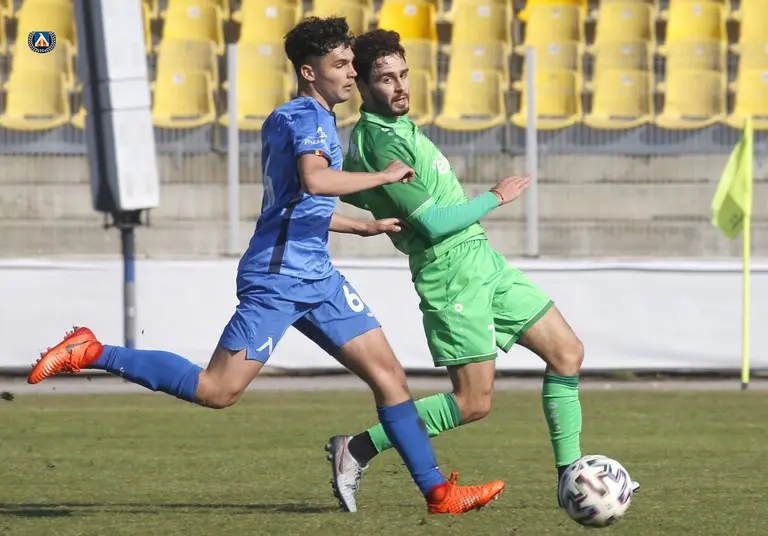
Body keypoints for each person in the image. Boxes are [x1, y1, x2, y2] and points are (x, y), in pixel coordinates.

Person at [27, 17, 504, 515]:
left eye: (350, 64)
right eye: (340, 64)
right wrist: (382, 176)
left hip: (317, 275)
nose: (350, 72)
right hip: (280, 277)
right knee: (217, 389)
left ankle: (438, 493)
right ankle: (93, 350)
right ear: (309, 71)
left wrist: (360, 226)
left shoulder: (298, 117)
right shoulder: (308, 119)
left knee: (389, 378)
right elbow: (316, 181)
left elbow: (297, 203)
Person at [326, 28, 640, 512]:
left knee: (567, 352)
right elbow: (432, 224)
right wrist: (496, 196)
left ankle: (571, 477)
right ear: (363, 86)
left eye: (404, 74)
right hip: (450, 272)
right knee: (473, 403)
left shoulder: (396, 130)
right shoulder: (382, 142)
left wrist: (379, 206)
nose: (401, 86)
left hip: (481, 259)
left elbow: (360, 192)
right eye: (386, 79)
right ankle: (359, 448)